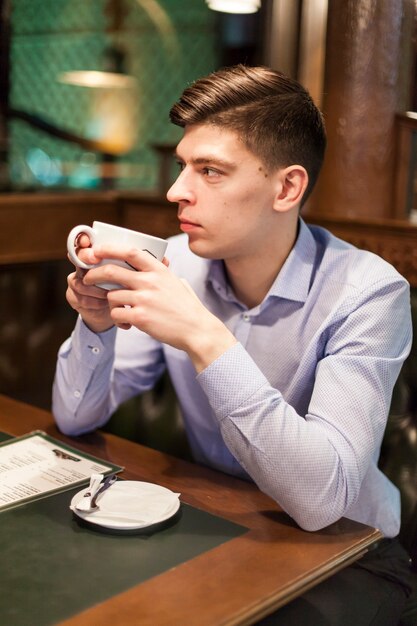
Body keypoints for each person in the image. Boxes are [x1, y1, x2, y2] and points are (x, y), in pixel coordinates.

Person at [53, 65, 413, 624]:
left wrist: (203, 335)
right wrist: (95, 326)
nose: (176, 190)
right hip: (223, 521)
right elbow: (74, 418)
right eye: (182, 166)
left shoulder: (369, 292)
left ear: (287, 187)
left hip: (350, 549)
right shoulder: (176, 261)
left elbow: (322, 502)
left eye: (210, 171)